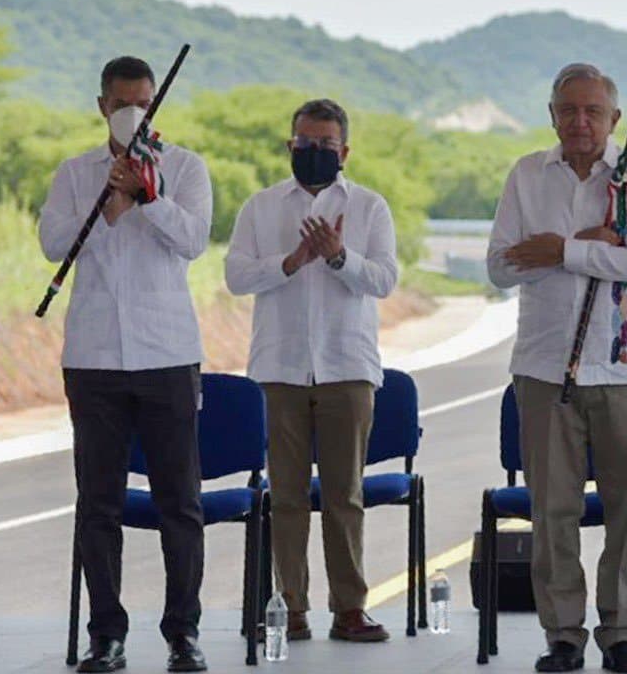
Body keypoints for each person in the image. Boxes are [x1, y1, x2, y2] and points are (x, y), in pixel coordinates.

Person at [486, 62, 627, 674]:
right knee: (552, 511)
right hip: (543, 368)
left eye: (593, 111)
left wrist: (559, 249)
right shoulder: (526, 174)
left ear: (614, 118)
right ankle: (563, 635)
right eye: (568, 110)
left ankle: (622, 633)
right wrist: (592, 247)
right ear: (552, 116)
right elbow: (501, 267)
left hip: (622, 370)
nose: (580, 122)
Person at [39, 55, 213, 673]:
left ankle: (183, 634)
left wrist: (148, 197)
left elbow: (194, 241)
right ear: (102, 107)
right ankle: (106, 635)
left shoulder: (185, 168)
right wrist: (108, 201)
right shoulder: (75, 172)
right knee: (99, 503)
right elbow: (53, 244)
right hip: (94, 358)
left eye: (143, 103)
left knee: (179, 503)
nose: (132, 113)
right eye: (121, 104)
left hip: (167, 354)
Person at [225, 98, 398, 644]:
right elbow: (236, 276)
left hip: (348, 367)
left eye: (326, 145)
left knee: (345, 496)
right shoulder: (261, 207)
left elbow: (385, 280)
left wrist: (339, 256)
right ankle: (290, 609)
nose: (315, 151)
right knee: (287, 496)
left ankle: (350, 610)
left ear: (344, 152)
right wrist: (292, 261)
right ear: (289, 145)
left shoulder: (370, 207)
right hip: (279, 369)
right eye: (306, 143)